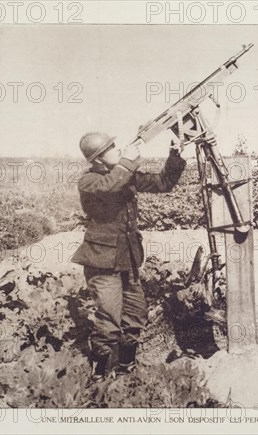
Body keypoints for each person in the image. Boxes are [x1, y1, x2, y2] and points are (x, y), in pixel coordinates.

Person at [71, 131, 187, 382]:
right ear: (98, 159)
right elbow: (110, 186)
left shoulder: (123, 176)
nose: (118, 149)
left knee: (135, 315)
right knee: (110, 319)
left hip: (128, 259)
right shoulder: (90, 181)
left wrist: (175, 154)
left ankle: (126, 369)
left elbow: (164, 182)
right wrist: (127, 163)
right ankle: (99, 375)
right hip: (102, 262)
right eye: (111, 148)